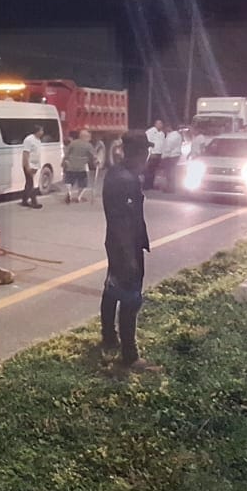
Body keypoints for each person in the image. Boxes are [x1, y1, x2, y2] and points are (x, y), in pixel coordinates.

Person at [101, 133, 152, 368]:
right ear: (140, 153)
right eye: (146, 151)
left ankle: (109, 337)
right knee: (131, 299)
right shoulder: (126, 180)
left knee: (112, 290)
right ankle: (130, 356)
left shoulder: (115, 173)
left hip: (115, 244)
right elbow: (123, 222)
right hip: (125, 247)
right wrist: (130, 258)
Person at [63, 129, 97, 203]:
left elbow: (66, 153)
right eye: (89, 137)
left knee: (69, 181)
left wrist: (63, 162)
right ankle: (79, 197)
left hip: (71, 166)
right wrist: (96, 161)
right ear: (86, 137)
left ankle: (69, 192)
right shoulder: (88, 145)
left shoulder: (73, 143)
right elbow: (94, 156)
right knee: (83, 183)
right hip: (82, 167)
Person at [20, 124, 46, 208]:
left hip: (35, 165)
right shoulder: (29, 139)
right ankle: (34, 202)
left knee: (29, 183)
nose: (42, 132)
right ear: (37, 131)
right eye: (41, 130)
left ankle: (24, 200)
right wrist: (27, 166)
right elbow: (26, 154)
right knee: (31, 183)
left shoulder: (38, 140)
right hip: (29, 164)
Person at [159, 125, 185, 193]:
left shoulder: (172, 136)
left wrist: (164, 156)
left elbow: (168, 146)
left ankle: (170, 188)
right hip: (175, 155)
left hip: (171, 156)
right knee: (172, 172)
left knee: (169, 173)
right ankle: (171, 187)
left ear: (169, 128)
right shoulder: (177, 135)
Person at [143, 119, 167, 190]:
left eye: (161, 124)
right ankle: (146, 185)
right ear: (155, 124)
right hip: (152, 154)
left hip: (159, 154)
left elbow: (163, 143)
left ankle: (151, 185)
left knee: (153, 171)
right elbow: (147, 141)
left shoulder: (162, 133)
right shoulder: (150, 131)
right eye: (159, 124)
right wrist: (150, 150)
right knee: (148, 171)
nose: (160, 125)